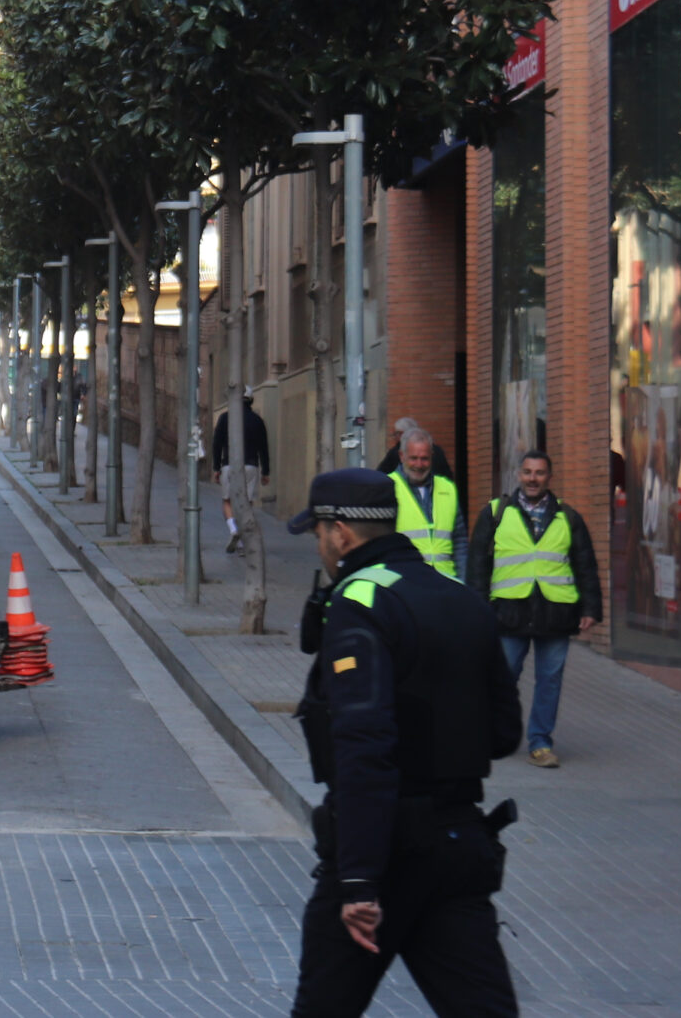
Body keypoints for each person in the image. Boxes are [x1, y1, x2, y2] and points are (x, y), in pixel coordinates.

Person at [284, 467, 522, 1018]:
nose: (319, 546)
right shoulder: (460, 596)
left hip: (384, 853)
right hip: (459, 846)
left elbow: (363, 746)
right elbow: (504, 733)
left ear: (341, 533)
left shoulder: (359, 602)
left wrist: (359, 880)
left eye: (319, 534)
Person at [466, 448, 603, 768]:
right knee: (502, 678)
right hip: (509, 612)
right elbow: (477, 564)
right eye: (528, 472)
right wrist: (478, 607)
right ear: (519, 474)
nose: (533, 478)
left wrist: (590, 608)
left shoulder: (568, 517)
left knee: (549, 681)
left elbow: (585, 565)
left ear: (549, 477)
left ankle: (540, 743)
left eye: (539, 473)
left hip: (555, 613)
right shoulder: (496, 513)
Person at [389, 428, 467, 580]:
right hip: (407, 583)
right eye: (413, 458)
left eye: (424, 458)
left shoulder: (447, 488)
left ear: (432, 456)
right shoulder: (388, 487)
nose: (419, 464)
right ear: (401, 456)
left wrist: (462, 581)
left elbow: (459, 542)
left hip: (445, 582)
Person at [212, 389, 270, 554]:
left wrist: (216, 467)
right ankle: (245, 541)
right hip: (251, 466)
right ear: (251, 400)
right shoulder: (257, 420)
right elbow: (263, 448)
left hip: (229, 466)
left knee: (227, 501)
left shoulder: (225, 418)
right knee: (247, 504)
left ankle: (233, 529)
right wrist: (266, 471)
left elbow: (217, 444)